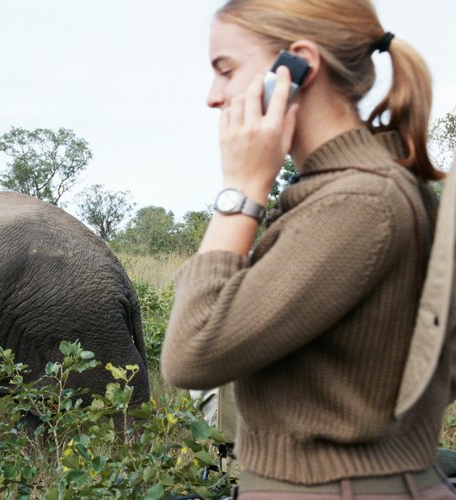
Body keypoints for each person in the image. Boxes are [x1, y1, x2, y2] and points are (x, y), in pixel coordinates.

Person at [161, 0, 455, 498]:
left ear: (297, 67)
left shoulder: (362, 201)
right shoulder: (345, 190)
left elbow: (192, 354)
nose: (214, 97)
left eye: (226, 71)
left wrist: (243, 187)